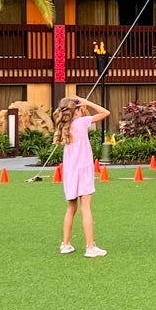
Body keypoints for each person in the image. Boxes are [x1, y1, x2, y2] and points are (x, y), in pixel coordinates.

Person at [53, 95, 109, 257]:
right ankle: (90, 247)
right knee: (86, 208)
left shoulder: (64, 126)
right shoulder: (81, 122)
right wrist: (88, 102)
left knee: (71, 207)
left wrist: (80, 105)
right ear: (76, 111)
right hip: (83, 170)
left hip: (70, 171)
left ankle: (66, 244)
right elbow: (105, 112)